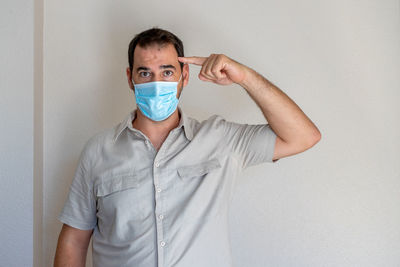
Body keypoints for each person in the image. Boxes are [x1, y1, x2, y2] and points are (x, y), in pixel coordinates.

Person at [54, 27, 321, 267]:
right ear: (130, 78)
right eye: (145, 73)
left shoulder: (221, 139)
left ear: (185, 76)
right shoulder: (98, 151)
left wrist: (245, 77)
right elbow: (74, 241)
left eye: (167, 72)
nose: (156, 84)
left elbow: (303, 136)